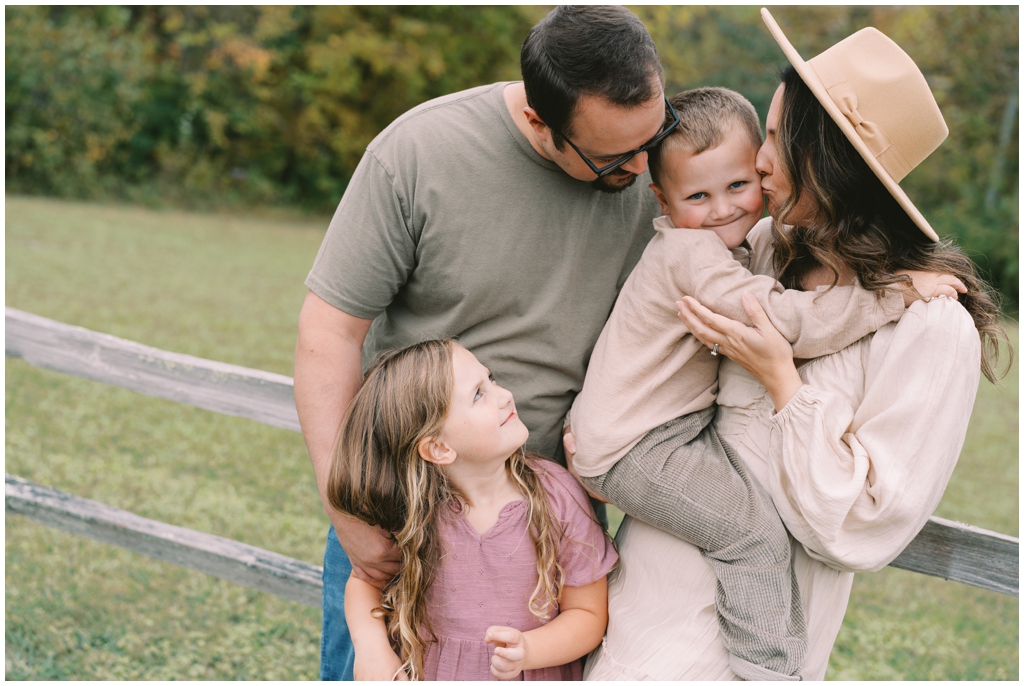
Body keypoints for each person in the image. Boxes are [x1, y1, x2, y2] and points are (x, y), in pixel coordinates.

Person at [577, 9, 1009, 680]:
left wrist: (784, 384)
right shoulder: (759, 251)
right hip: (636, 616)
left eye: (776, 135)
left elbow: (864, 523)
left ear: (829, 160)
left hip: (735, 651)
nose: (759, 158)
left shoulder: (929, 322)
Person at [293, 6, 668, 679]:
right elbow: (329, 330)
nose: (645, 170)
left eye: (655, 136)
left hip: (547, 525)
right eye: (614, 157)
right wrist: (345, 506)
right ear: (537, 122)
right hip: (403, 514)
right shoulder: (417, 155)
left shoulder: (656, 166)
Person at [326, 340, 617, 680]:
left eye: (491, 379)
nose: (505, 394)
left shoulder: (556, 495)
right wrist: (371, 649)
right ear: (438, 447)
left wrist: (529, 650)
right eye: (479, 394)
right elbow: (365, 582)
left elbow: (588, 613)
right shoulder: (415, 509)